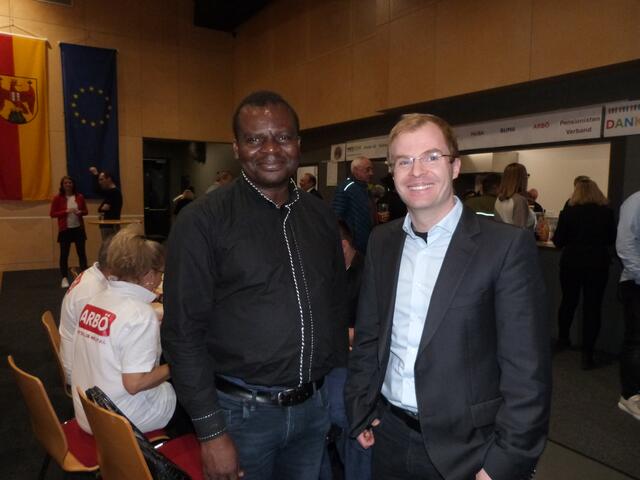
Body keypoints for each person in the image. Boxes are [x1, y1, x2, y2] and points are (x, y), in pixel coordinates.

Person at [345, 113, 551, 480]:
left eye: (431, 156)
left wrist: (504, 463)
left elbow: (527, 371)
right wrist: (360, 406)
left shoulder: (504, 247)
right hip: (388, 436)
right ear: (391, 173)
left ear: (455, 167)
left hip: (469, 452)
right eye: (404, 161)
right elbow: (369, 335)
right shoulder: (383, 241)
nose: (416, 171)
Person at [162, 90, 348, 480]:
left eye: (282, 137)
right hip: (240, 417)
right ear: (236, 148)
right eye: (254, 139)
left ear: (298, 143)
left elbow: (334, 307)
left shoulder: (320, 216)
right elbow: (182, 333)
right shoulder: (202, 221)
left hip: (314, 412)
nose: (271, 149)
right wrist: (210, 431)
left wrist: (338, 394)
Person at [71, 227, 176, 434]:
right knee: (191, 393)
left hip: (87, 412)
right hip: (119, 421)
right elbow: (135, 384)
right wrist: (177, 366)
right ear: (148, 276)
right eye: (160, 273)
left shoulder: (95, 300)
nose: (159, 280)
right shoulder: (139, 315)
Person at [320, 220, 371, 480]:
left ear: (342, 245)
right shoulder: (331, 273)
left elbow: (374, 330)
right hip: (331, 359)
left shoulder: (369, 272)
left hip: (351, 363)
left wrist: (342, 334)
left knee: (346, 422)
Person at [553, 179, 616, 369]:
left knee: (568, 301)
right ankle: (588, 353)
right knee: (593, 307)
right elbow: (611, 239)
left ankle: (563, 339)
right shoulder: (606, 213)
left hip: (571, 262)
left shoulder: (568, 212)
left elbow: (558, 241)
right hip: (597, 264)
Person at [59, 235, 112, 384]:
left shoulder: (93, 274)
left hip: (81, 357)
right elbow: (98, 344)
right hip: (80, 373)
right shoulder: (92, 292)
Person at [616, 190, 640, 420]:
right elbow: (624, 246)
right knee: (636, 340)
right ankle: (630, 395)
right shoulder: (635, 202)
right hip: (635, 283)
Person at [49, 176, 88, 288]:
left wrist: (80, 212)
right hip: (65, 230)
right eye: (65, 183)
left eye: (70, 182)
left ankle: (85, 277)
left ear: (73, 184)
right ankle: (64, 278)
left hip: (78, 229)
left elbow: (85, 211)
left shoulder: (79, 197)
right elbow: (52, 214)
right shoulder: (57, 198)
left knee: (81, 253)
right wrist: (65, 211)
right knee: (64, 254)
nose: (68, 184)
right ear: (62, 185)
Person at [333, 156, 375, 254]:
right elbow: (336, 217)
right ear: (356, 170)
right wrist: (348, 243)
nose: (371, 173)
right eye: (367, 170)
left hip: (366, 244)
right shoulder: (346, 188)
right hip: (354, 247)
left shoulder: (364, 188)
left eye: (371, 169)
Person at [89, 166, 123, 239]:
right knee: (107, 244)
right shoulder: (110, 192)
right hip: (108, 225)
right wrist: (95, 174)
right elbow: (97, 190)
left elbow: (103, 209)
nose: (100, 182)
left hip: (110, 225)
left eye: (102, 179)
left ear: (109, 179)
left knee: (108, 245)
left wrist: (101, 209)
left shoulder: (114, 192)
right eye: (99, 180)